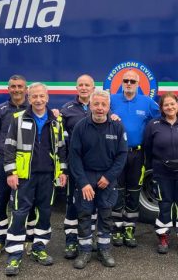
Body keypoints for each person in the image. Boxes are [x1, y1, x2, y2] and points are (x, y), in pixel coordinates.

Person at [2, 82, 68, 276]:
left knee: (45, 212)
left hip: (48, 175)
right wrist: (11, 172)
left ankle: (39, 248)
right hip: (24, 176)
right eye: (34, 96)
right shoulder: (18, 118)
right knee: (20, 213)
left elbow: (61, 149)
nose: (38, 100)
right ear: (29, 98)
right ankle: (14, 255)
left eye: (41, 96)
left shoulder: (56, 121)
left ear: (47, 98)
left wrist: (62, 171)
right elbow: (9, 147)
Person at [69, 90, 127, 269]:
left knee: (105, 214)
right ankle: (85, 251)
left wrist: (109, 177)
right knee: (85, 214)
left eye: (104, 105)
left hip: (107, 178)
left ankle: (104, 249)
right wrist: (83, 182)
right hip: (86, 177)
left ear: (109, 106)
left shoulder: (117, 126)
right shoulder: (81, 126)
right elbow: (74, 156)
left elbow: (122, 155)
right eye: (96, 104)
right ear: (90, 106)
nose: (100, 108)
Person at [109, 69, 160, 247]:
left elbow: (166, 115)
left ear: (138, 84)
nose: (129, 84)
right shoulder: (112, 100)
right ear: (121, 83)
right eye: (126, 80)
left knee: (133, 192)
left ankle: (129, 229)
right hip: (117, 154)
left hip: (138, 155)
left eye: (132, 81)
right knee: (117, 192)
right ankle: (116, 229)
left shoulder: (147, 102)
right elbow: (96, 113)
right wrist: (109, 115)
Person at [143, 92, 178, 256]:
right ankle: (163, 237)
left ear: (177, 105)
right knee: (164, 203)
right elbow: (148, 146)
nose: (169, 107)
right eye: (166, 105)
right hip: (162, 172)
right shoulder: (154, 124)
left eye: (172, 104)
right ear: (161, 108)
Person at [0, 75, 28, 258]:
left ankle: (25, 239)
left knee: (25, 203)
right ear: (8, 89)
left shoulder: (33, 109)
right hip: (3, 160)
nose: (16, 89)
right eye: (13, 86)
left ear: (26, 89)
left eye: (20, 86)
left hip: (25, 162)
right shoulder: (0, 110)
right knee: (0, 201)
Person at [60, 74, 98, 259]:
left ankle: (88, 238)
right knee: (73, 203)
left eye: (87, 85)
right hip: (75, 165)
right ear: (76, 88)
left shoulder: (99, 107)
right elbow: (59, 141)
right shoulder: (66, 110)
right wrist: (63, 168)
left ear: (93, 88)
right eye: (80, 85)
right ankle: (71, 240)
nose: (84, 88)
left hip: (94, 166)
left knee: (92, 203)